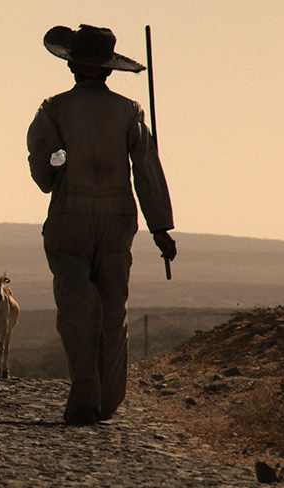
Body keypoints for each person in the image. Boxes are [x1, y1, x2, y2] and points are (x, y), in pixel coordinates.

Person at [26, 24, 177, 425]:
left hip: (70, 216)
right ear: (108, 70)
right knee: (113, 309)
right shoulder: (129, 111)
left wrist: (59, 168)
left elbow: (45, 164)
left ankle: (84, 397)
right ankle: (109, 400)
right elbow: (146, 168)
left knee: (77, 307)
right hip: (117, 218)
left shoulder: (53, 108)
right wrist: (160, 226)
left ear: (73, 65)